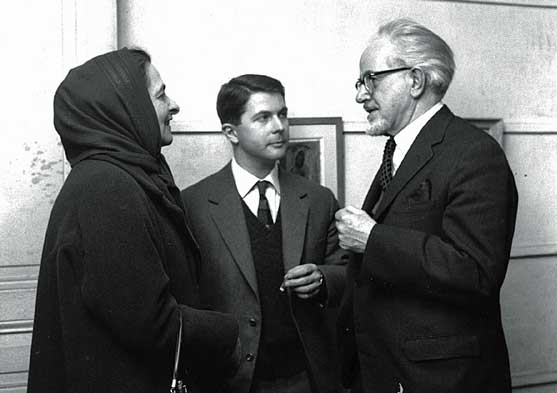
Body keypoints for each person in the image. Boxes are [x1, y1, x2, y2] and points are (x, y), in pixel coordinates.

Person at [27, 48, 241, 393]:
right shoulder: (106, 187)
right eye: (160, 95)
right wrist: (228, 335)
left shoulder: (125, 176)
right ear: (126, 110)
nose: (174, 105)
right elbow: (149, 322)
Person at [335, 18, 518, 393]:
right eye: (361, 82)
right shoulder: (399, 150)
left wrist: (372, 238)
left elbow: (475, 272)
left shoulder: (474, 154)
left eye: (371, 79)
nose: (360, 95)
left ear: (415, 81)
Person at [182, 74, 349, 393]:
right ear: (231, 132)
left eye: (282, 114)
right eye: (263, 117)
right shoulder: (193, 205)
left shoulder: (318, 199)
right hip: (228, 381)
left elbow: (347, 273)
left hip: (306, 378)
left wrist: (324, 278)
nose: (279, 126)